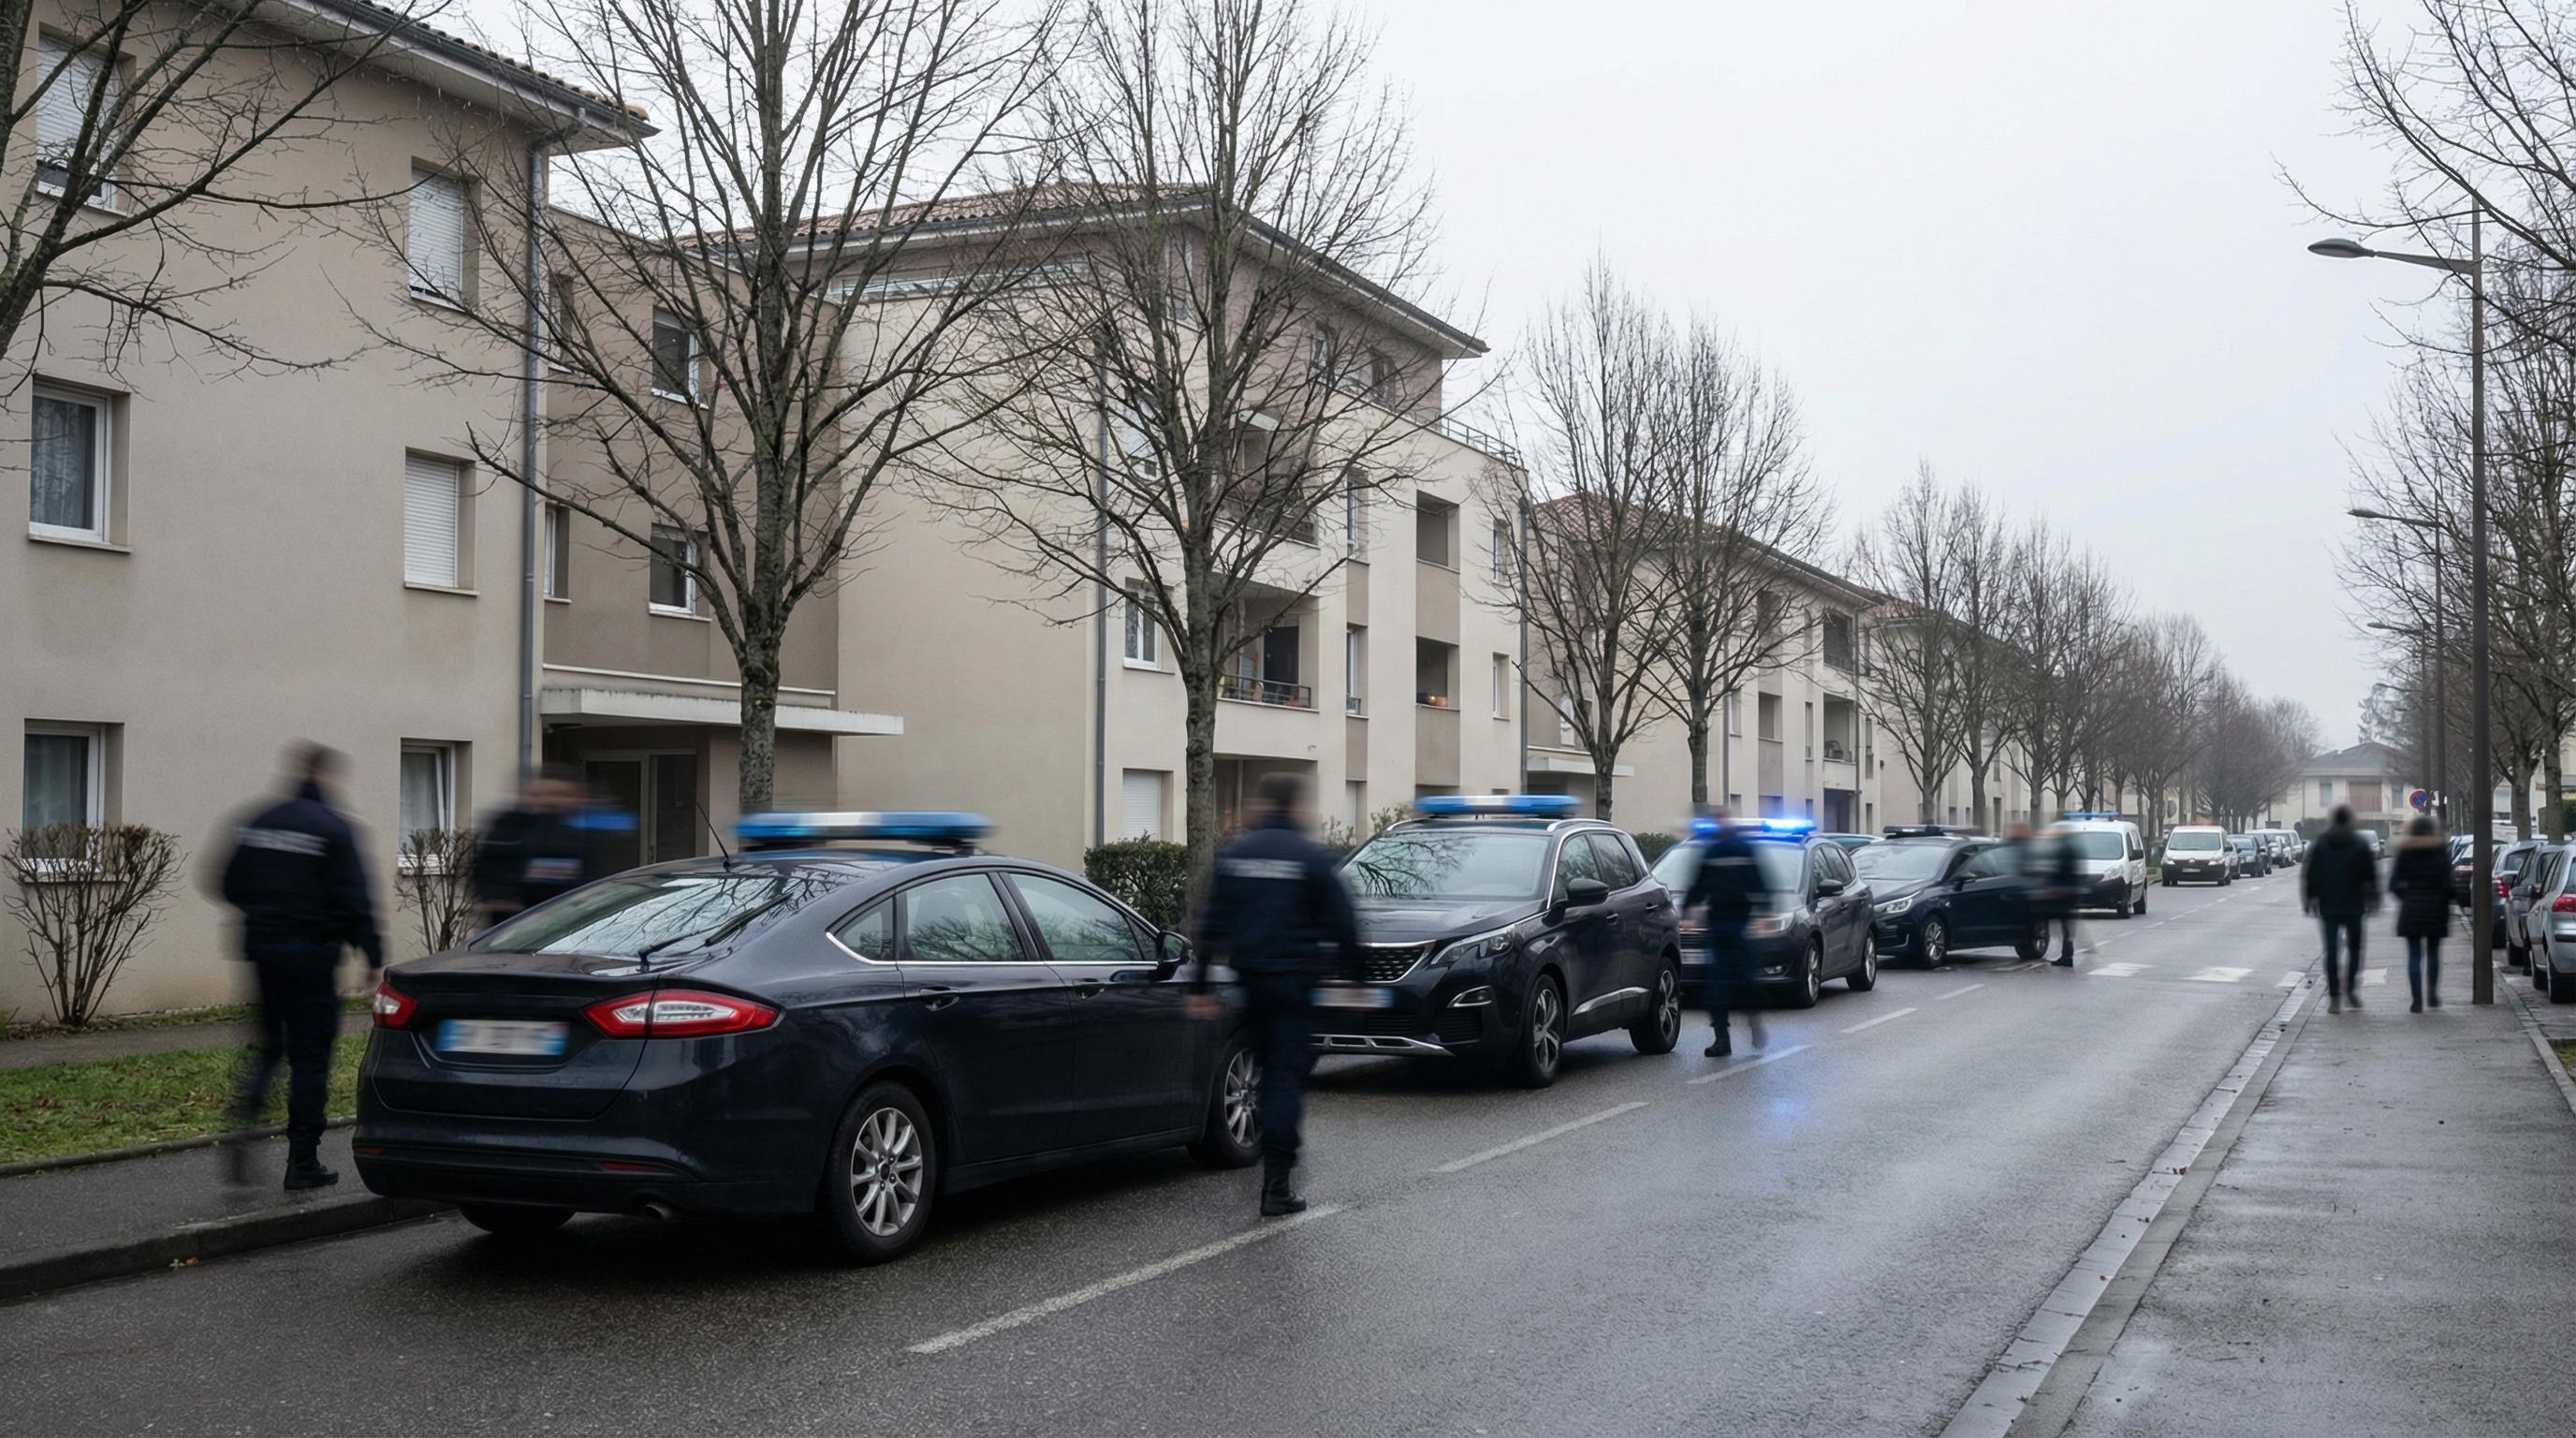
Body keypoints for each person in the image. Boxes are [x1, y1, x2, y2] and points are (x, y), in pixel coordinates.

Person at [1186, 772, 1362, 1217]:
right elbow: (1344, 924)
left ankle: (1274, 1157)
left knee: (1264, 1071)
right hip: (1295, 989)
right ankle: (1277, 1185)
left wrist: (1203, 986)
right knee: (1285, 1078)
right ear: (1296, 806)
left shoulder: (1236, 855)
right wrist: (1356, 980)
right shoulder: (1309, 858)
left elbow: (1211, 922)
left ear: (1264, 804)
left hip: (1250, 986)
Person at [217, 742, 384, 1189]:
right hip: (312, 956)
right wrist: (372, 956)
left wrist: (264, 913)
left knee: (271, 1045)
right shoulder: (334, 826)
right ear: (324, 776)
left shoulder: (259, 819)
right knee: (310, 1057)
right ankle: (302, 1162)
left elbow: (224, 881)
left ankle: (245, 1114)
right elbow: (356, 899)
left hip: (263, 952)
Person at [1680, 808, 1766, 1057]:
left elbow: (1759, 882)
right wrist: (1687, 913)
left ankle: (1754, 1021)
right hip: (1717, 925)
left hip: (1739, 924)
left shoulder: (1744, 849)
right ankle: (1721, 1039)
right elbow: (1698, 884)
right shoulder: (1710, 852)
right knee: (1715, 985)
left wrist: (1764, 912)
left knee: (1746, 980)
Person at [471, 764, 600, 928]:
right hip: (512, 922)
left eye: (561, 794)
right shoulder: (510, 825)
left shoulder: (582, 832)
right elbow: (484, 867)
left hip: (565, 921)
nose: (553, 800)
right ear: (532, 794)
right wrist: (500, 898)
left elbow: (589, 875)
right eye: (547, 794)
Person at [2302, 805, 2380, 1014]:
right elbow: (2370, 875)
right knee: (2354, 950)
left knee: (2332, 951)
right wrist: (2373, 900)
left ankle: (2334, 997)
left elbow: (2311, 873)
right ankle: (2351, 991)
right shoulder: (2360, 843)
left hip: (2329, 905)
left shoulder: (2322, 843)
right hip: (2354, 903)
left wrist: (2310, 899)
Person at [2388, 814, 2451, 1012]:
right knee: (2433, 954)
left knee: (2414, 955)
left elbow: (2393, 884)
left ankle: (2416, 1000)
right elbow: (2448, 884)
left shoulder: (2405, 853)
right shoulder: (2440, 852)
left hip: (2412, 909)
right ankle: (2432, 995)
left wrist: (2407, 899)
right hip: (2436, 909)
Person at [2035, 823, 2085, 966]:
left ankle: (2067, 956)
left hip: (2064, 893)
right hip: (2069, 892)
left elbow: (2059, 870)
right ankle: (2067, 955)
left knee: (2065, 924)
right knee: (2067, 925)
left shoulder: (2064, 850)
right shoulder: (2070, 848)